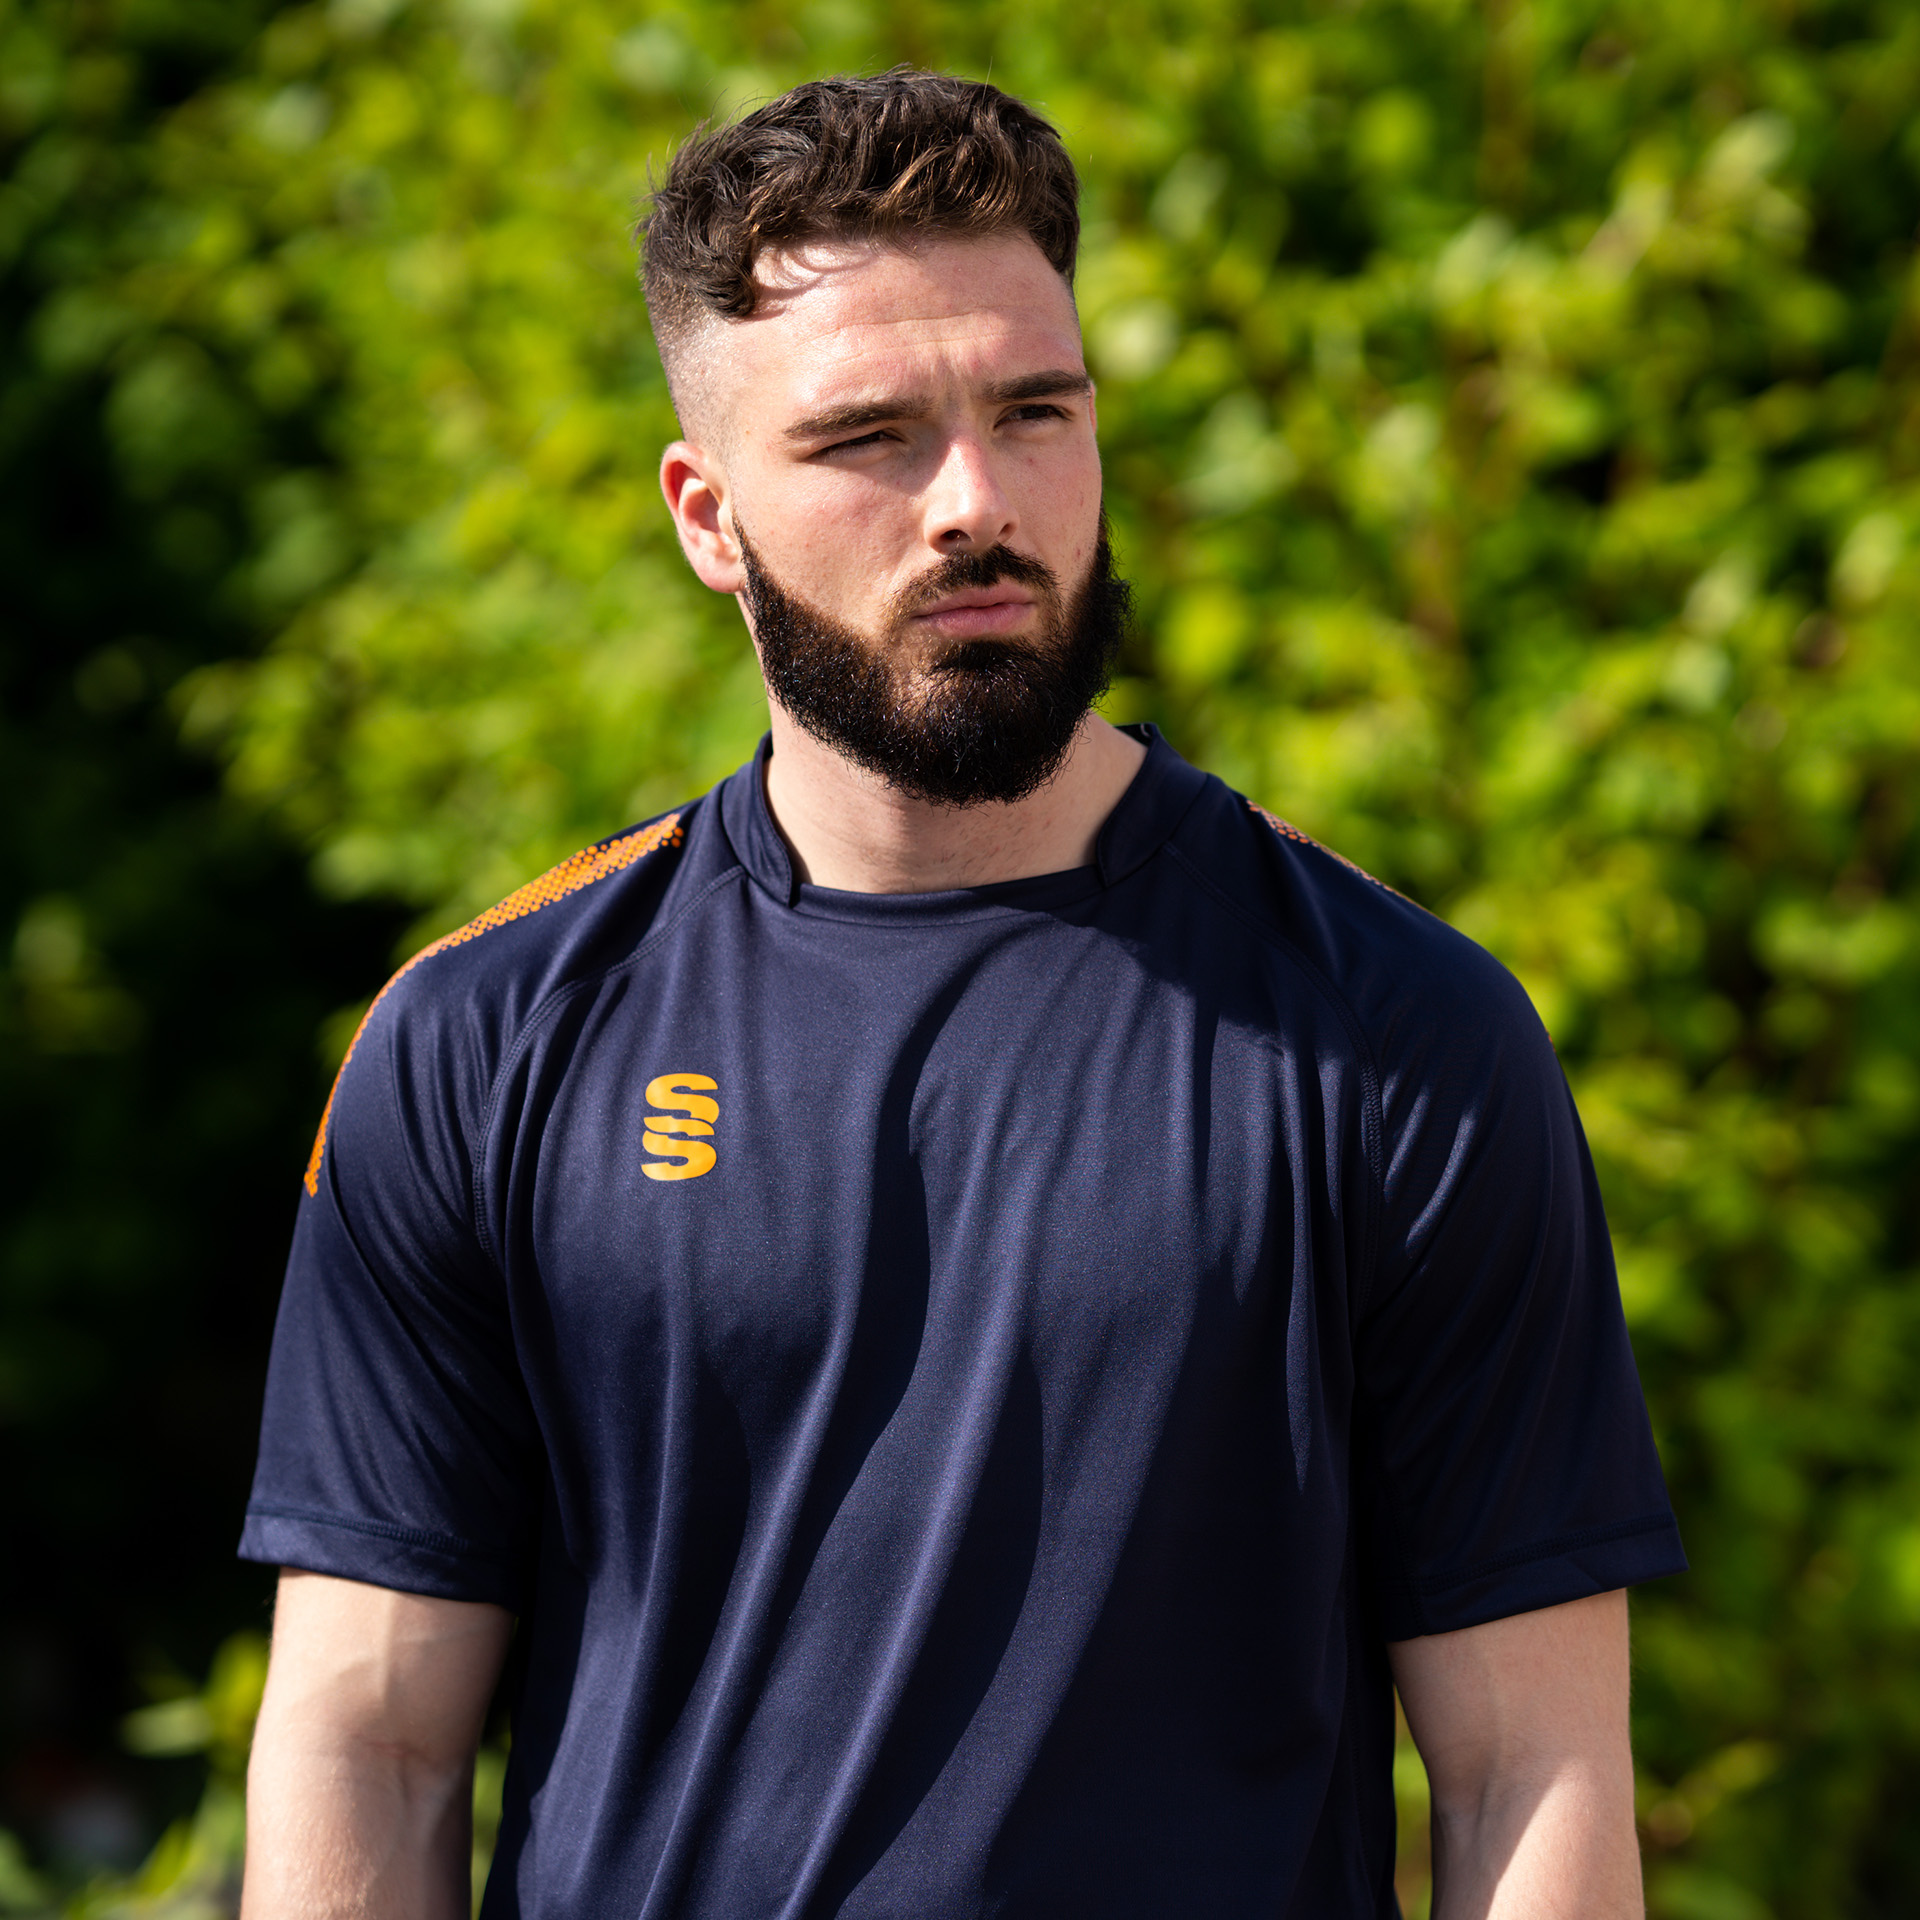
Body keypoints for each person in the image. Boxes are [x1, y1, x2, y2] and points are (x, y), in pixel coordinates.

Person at [237, 70, 1685, 1920]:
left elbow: (1529, 1771)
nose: (978, 505)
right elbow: (369, 1742)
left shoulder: (1399, 1032)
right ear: (707, 516)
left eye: (1035, 411)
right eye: (871, 439)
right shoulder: (481, 1038)